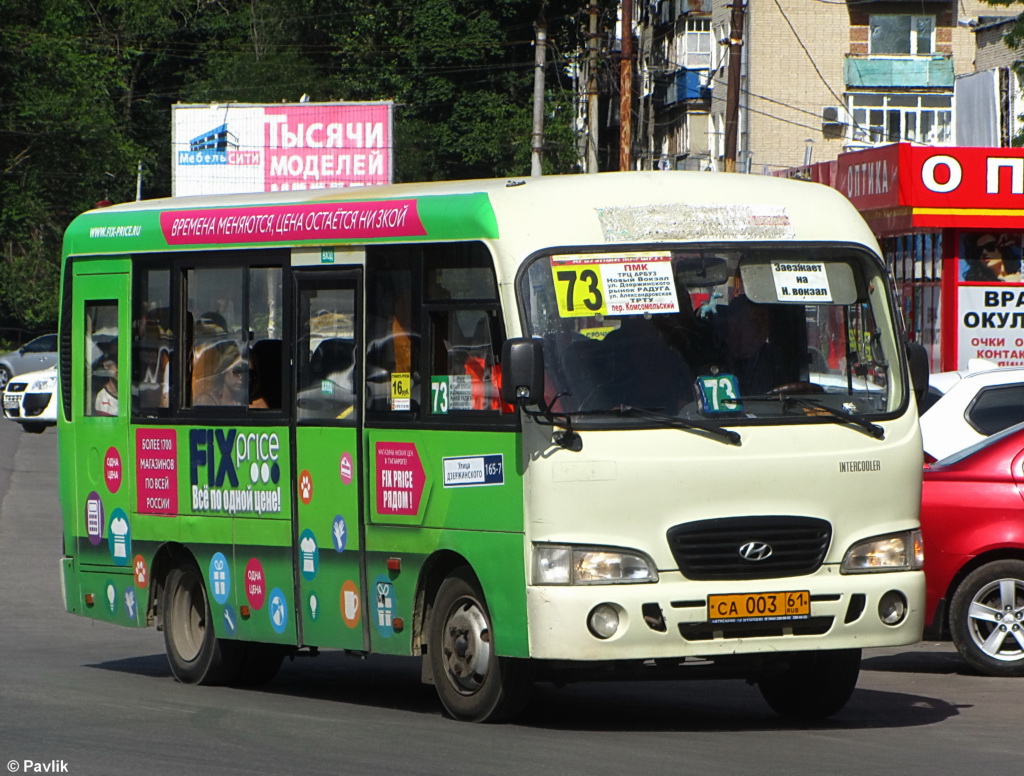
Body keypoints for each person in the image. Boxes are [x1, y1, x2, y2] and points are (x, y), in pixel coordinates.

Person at [194, 341, 246, 406]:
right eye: (237, 371)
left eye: (244, 373)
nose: (241, 377)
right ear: (224, 370)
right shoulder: (206, 400)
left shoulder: (243, 403)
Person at [94, 343, 118, 416]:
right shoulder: (102, 397)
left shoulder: (134, 393)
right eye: (114, 361)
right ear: (105, 365)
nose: (118, 367)